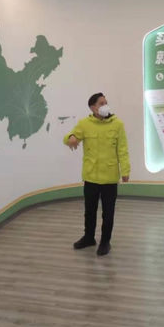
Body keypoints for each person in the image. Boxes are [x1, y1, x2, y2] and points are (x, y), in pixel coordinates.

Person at [64, 93, 130, 256]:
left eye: (106, 102)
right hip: (91, 175)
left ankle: (105, 241)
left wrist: (125, 170)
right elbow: (70, 137)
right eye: (101, 103)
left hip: (110, 176)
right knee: (89, 210)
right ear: (93, 108)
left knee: (108, 212)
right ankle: (89, 237)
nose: (105, 105)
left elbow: (122, 149)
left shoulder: (117, 124)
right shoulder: (84, 124)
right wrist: (71, 138)